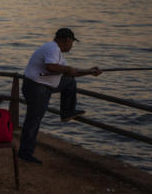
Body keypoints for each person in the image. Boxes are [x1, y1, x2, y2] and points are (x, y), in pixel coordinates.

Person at [18, 28, 102, 164]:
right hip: (36, 88)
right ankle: (25, 153)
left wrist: (89, 71)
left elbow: (71, 73)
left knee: (69, 81)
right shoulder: (52, 48)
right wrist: (68, 70)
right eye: (72, 42)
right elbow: (50, 67)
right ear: (68, 40)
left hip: (44, 86)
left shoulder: (56, 52)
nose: (72, 46)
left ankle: (67, 111)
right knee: (33, 120)